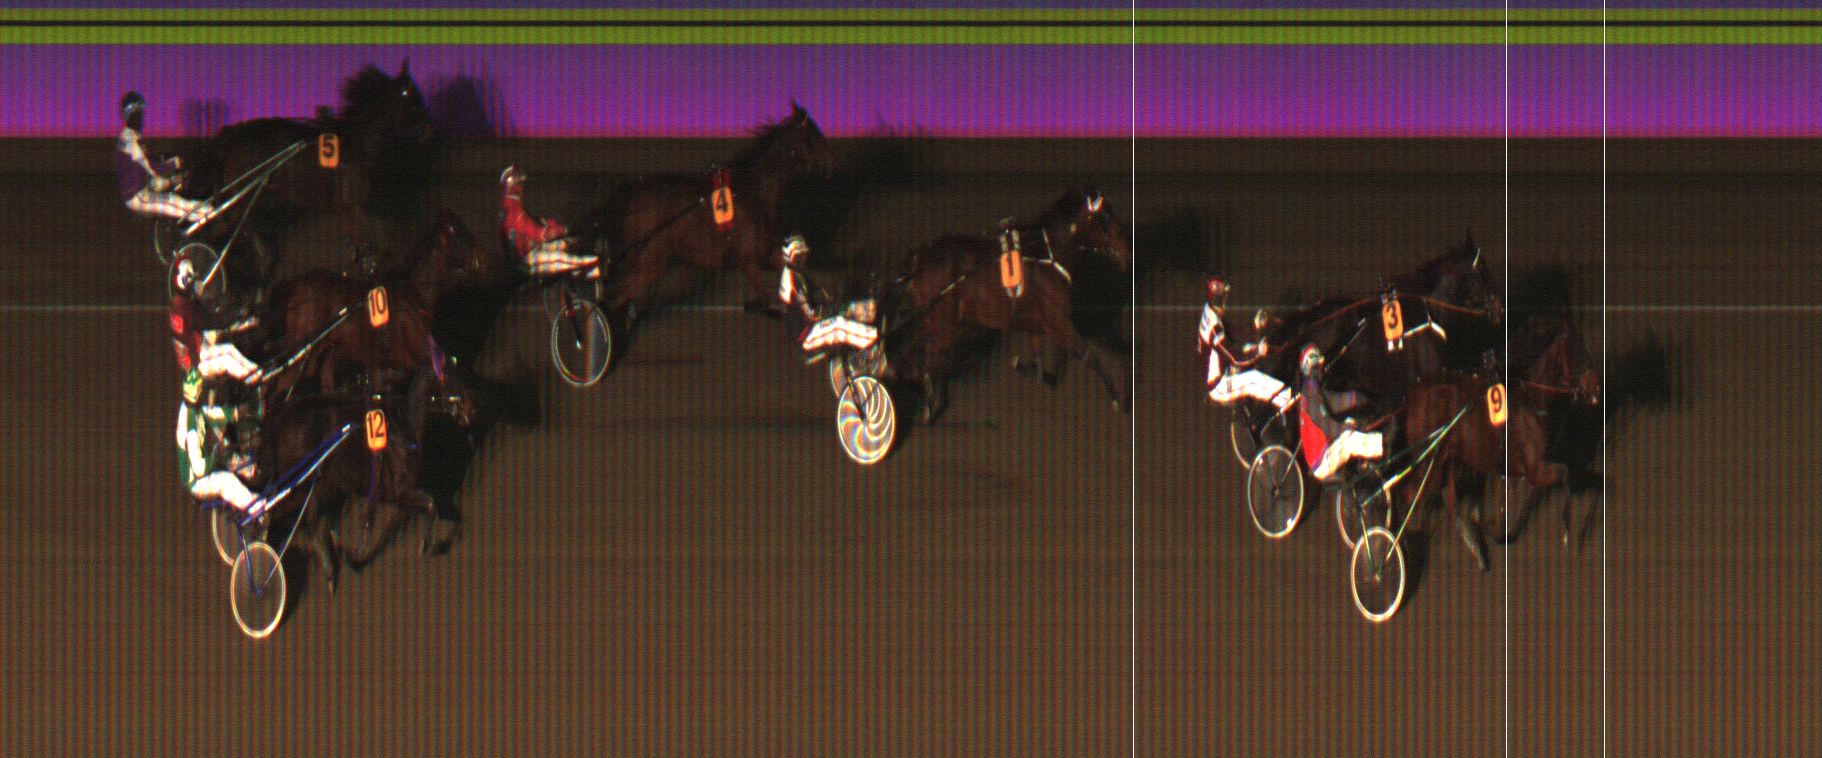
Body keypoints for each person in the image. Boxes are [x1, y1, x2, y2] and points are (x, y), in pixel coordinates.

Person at [176, 368, 268, 517]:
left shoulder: (191, 406)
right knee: (226, 481)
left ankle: (253, 473)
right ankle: (259, 509)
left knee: (227, 450)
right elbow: (199, 469)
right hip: (197, 481)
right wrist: (215, 456)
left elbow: (209, 414)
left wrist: (235, 413)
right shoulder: (190, 431)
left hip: (203, 460)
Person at [116, 92, 214, 223]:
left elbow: (149, 160)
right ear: (130, 115)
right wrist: (177, 162)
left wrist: (170, 157)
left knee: (176, 190)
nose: (142, 118)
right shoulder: (130, 140)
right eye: (139, 114)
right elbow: (154, 169)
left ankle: (203, 211)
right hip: (137, 196)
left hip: (144, 188)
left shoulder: (132, 135)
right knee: (174, 204)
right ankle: (207, 214)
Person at [1198, 276, 1289, 410]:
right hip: (1218, 385)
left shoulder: (1211, 311)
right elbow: (1235, 359)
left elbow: (1233, 332)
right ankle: (1290, 400)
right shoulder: (1213, 326)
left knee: (1249, 348)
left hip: (1223, 368)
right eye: (1224, 296)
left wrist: (1255, 325)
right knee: (1253, 379)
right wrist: (1258, 353)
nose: (1225, 301)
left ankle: (1271, 401)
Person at [775, 234, 877, 354]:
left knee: (851, 309)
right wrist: (828, 312)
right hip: (806, 334)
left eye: (804, 254)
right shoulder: (792, 279)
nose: (804, 258)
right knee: (838, 325)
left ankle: (877, 318)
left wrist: (833, 302)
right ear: (792, 255)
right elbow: (809, 315)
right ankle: (875, 342)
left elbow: (820, 295)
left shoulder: (797, 274)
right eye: (801, 255)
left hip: (807, 329)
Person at [168, 254, 262, 382]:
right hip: (196, 366)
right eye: (191, 278)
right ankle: (259, 378)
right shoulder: (185, 309)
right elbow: (215, 321)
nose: (195, 281)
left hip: (195, 350)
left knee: (224, 334)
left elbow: (207, 315)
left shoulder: (179, 302)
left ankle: (249, 325)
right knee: (227, 355)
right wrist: (238, 311)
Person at [1297, 345, 1384, 481]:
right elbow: (1328, 426)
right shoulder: (1310, 393)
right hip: (1322, 461)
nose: (1321, 370)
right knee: (1349, 439)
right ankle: (1383, 444)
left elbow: (1334, 402)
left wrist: (1356, 397)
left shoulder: (1311, 389)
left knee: (1350, 421)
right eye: (1318, 367)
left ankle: (1364, 466)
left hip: (1324, 454)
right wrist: (1348, 428)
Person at [499, 165, 598, 279]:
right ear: (514, 186)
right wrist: (563, 230)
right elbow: (537, 235)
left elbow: (536, 224)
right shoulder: (513, 210)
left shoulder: (512, 206)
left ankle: (579, 284)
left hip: (528, 252)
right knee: (579, 261)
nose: (522, 188)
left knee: (568, 248)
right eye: (521, 184)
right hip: (526, 260)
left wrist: (559, 233)